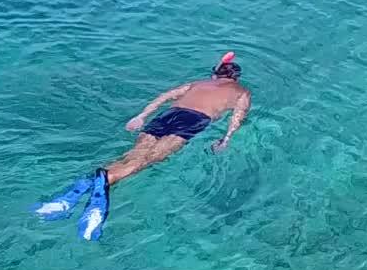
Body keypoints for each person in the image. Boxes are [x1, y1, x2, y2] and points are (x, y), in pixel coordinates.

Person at [33, 52, 252, 240]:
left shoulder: (198, 83)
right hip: (193, 120)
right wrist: (226, 139)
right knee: (148, 160)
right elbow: (238, 117)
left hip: (168, 115)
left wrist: (141, 116)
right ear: (235, 78)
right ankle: (103, 183)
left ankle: (81, 189)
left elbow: (165, 96)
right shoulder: (242, 92)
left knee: (134, 155)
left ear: (215, 74)